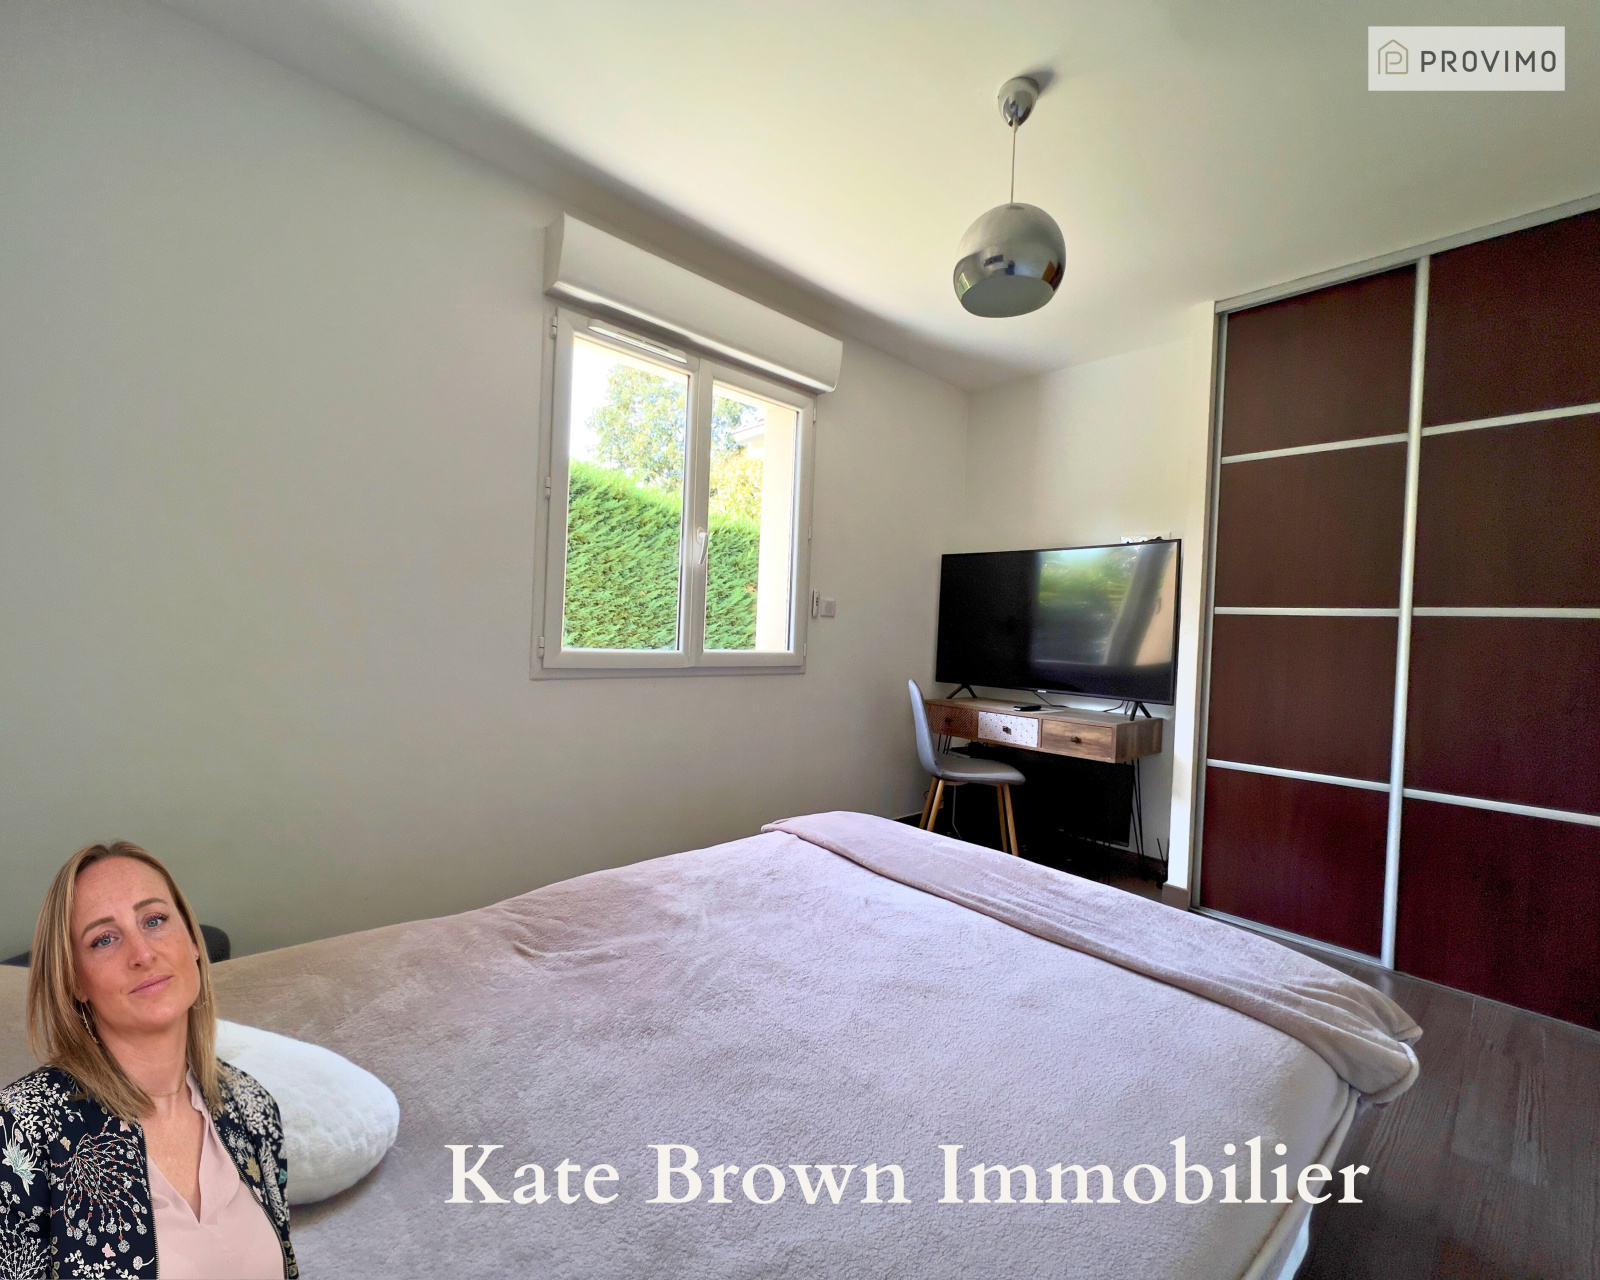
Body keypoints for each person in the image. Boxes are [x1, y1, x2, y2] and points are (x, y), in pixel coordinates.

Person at [0, 842, 297, 1279]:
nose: (142, 953)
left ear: (193, 941)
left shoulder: (254, 1107)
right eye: (104, 939)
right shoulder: (18, 1129)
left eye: (154, 920)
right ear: (75, 981)